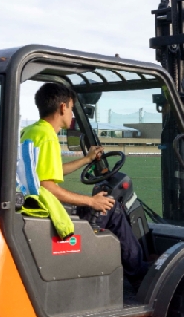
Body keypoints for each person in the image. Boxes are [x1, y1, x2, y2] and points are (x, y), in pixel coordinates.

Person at [21, 82, 146, 286]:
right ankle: (141, 278)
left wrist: (86, 160)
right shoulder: (48, 136)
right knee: (111, 208)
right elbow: (46, 185)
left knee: (101, 203)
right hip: (46, 209)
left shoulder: (32, 131)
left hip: (34, 205)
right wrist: (90, 201)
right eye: (71, 108)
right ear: (62, 107)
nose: (71, 114)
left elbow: (50, 172)